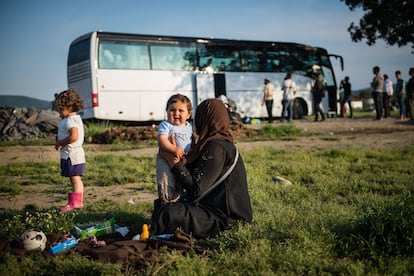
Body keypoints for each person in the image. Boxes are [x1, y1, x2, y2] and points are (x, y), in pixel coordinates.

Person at [152, 98, 253, 238]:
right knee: (163, 207)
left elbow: (196, 190)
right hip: (212, 209)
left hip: (228, 220)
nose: (196, 122)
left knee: (168, 213)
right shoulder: (213, 143)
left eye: (199, 117)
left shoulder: (216, 147)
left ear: (206, 118)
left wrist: (173, 162)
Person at [157, 94, 193, 205]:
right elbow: (162, 140)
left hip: (182, 161)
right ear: (166, 112)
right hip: (166, 160)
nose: (176, 113)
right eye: (172, 110)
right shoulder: (166, 125)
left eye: (181, 111)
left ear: (188, 114)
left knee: (180, 183)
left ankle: (177, 204)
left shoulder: (189, 127)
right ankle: (165, 202)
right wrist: (174, 149)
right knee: (167, 182)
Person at [54, 88, 85, 212]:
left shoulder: (70, 120)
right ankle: (77, 202)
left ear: (70, 106)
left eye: (61, 109)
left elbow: (74, 136)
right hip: (74, 154)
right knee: (75, 178)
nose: (59, 112)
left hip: (72, 155)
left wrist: (60, 143)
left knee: (75, 179)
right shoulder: (74, 119)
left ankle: (75, 203)